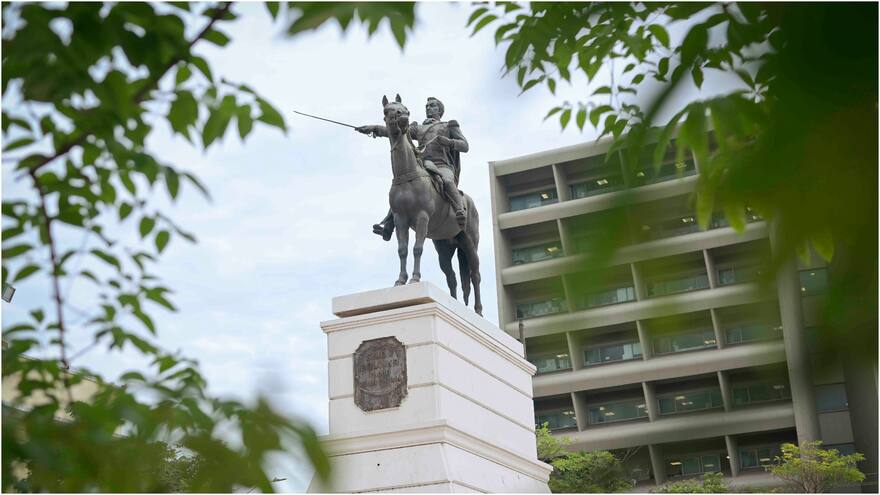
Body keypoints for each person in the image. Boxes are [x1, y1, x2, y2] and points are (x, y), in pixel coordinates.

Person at [355, 97, 469, 240]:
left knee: (447, 181)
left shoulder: (449, 125)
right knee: (404, 188)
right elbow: (396, 131)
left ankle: (460, 210)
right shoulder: (418, 128)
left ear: (440, 110)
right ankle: (389, 225)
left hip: (442, 165)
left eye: (432, 106)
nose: (428, 108)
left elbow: (465, 145)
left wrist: (449, 142)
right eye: (427, 106)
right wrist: (374, 128)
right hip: (423, 165)